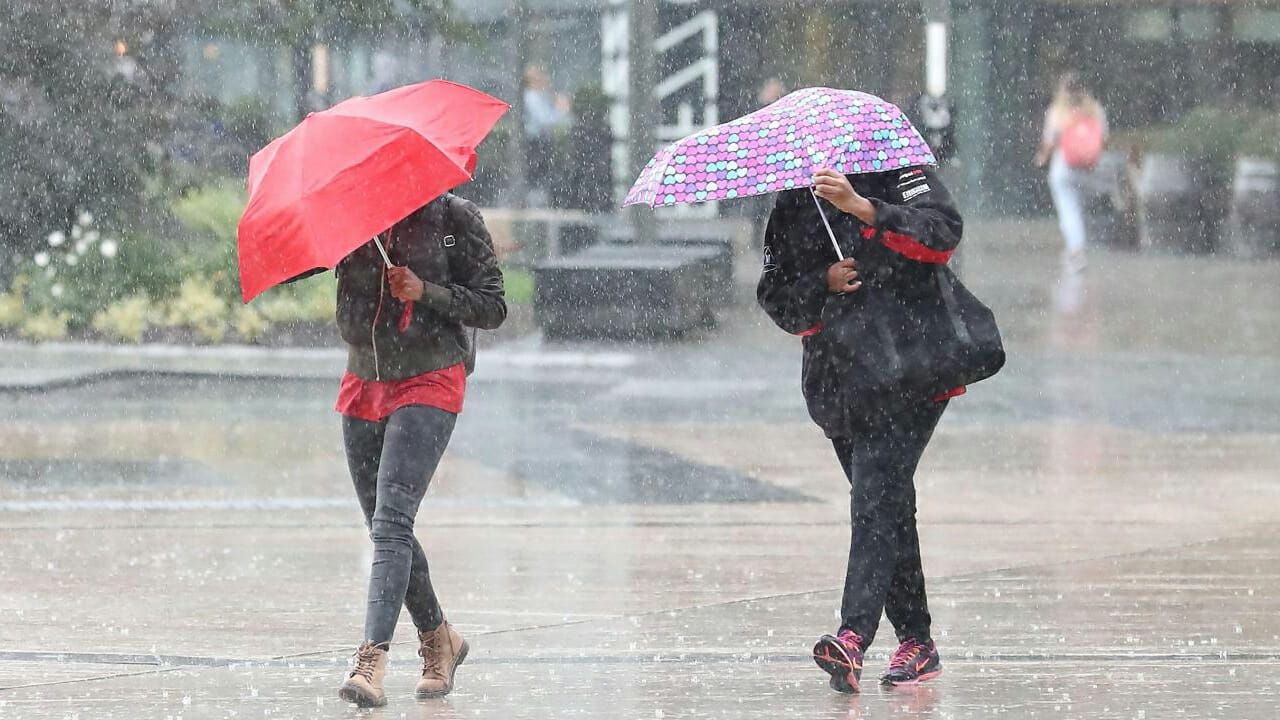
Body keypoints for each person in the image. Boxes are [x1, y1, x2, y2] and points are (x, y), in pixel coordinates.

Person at [757, 165, 963, 693]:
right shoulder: (793, 200)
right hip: (840, 382)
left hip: (911, 368)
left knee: (874, 497)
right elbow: (776, 295)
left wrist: (864, 209)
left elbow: (942, 234)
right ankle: (917, 642)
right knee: (888, 502)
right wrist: (821, 283)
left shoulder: (898, 167)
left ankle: (853, 636)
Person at [333, 192, 506, 707]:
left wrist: (424, 290)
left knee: (392, 522)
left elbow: (493, 306)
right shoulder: (351, 215)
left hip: (430, 377)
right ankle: (439, 638)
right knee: (385, 526)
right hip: (364, 380)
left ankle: (371, 661)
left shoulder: (454, 216)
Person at [1035, 72, 1107, 273]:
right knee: (1081, 208)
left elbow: (1049, 141)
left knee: (1069, 209)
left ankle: (1076, 251)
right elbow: (1103, 139)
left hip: (1064, 167)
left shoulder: (1057, 111)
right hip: (1090, 169)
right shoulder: (1095, 110)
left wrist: (1042, 156)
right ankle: (1080, 245)